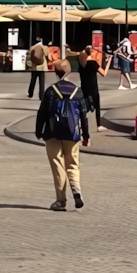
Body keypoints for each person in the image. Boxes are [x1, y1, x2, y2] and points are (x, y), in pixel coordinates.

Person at [34, 60, 90, 211]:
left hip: (52, 133)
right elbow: (83, 115)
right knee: (73, 164)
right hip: (72, 133)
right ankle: (76, 190)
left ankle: (60, 200)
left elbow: (42, 113)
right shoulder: (77, 91)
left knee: (58, 165)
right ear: (69, 71)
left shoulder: (50, 91)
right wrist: (86, 135)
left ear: (55, 72)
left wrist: (38, 131)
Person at [77, 44, 103, 132]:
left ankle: (79, 122)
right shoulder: (93, 63)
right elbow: (104, 73)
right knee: (97, 106)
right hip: (93, 87)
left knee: (84, 107)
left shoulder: (81, 64)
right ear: (91, 52)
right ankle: (99, 125)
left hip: (84, 87)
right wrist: (109, 61)